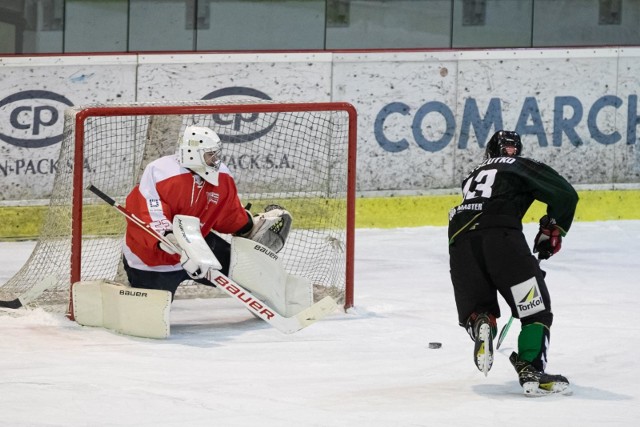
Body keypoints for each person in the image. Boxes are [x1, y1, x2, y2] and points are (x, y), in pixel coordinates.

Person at [447, 130, 579, 396]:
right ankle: (531, 368)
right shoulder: (522, 165)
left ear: (489, 152)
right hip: (501, 239)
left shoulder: (471, 174)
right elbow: (566, 194)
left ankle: (482, 321)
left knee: (479, 306)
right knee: (535, 310)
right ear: (515, 150)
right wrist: (553, 228)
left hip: (459, 241)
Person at [122, 125, 291, 299]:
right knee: (155, 315)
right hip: (154, 258)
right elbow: (147, 212)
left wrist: (247, 226)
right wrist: (166, 236)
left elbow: (227, 212)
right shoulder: (160, 171)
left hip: (197, 244)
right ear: (192, 153)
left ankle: (269, 299)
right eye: (210, 154)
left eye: (216, 154)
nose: (216, 159)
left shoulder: (221, 175)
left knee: (243, 270)